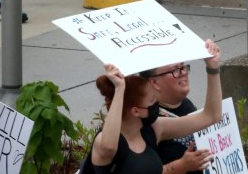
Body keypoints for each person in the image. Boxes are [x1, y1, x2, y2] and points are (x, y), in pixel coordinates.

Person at [88, 40, 222, 172]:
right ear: (135, 111)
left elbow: (211, 116)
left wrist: (213, 68)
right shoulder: (105, 142)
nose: (157, 106)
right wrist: (119, 88)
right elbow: (110, 146)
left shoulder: (153, 129)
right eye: (152, 101)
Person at [140, 63, 214, 173]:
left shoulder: (186, 104)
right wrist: (181, 166)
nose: (183, 73)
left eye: (183, 67)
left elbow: (212, 116)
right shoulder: (147, 122)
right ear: (155, 83)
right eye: (175, 70)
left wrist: (213, 69)